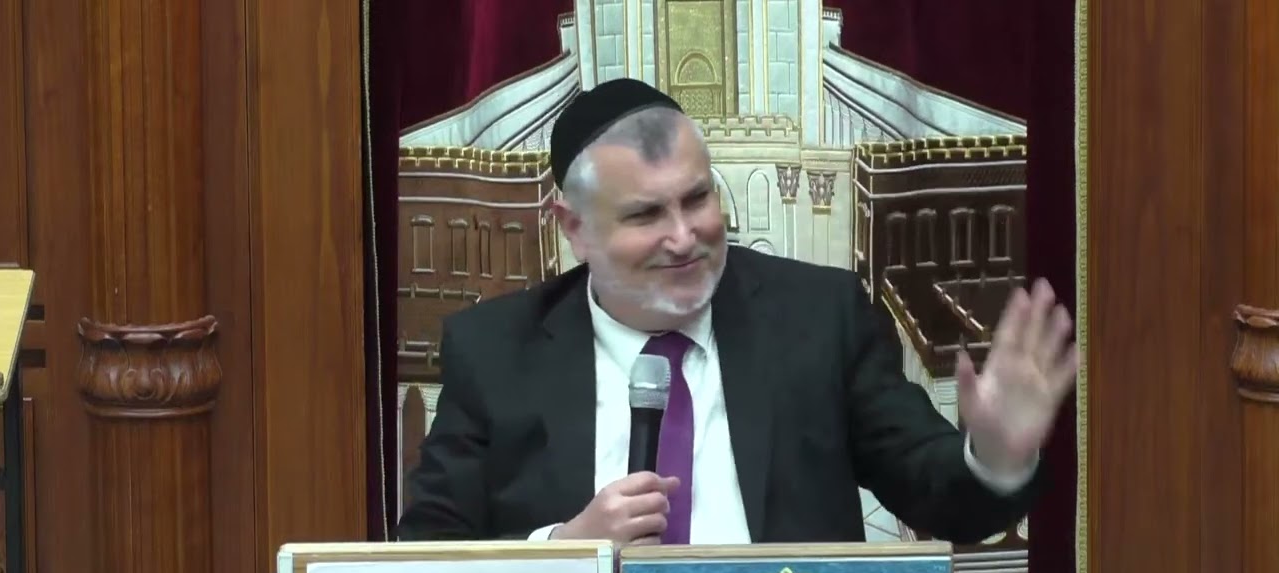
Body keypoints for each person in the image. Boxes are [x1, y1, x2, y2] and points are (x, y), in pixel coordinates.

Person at [396, 78, 1077, 546]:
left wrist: (995, 454)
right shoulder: (495, 351)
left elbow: (937, 494)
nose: (684, 236)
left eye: (697, 199)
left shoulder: (818, 318)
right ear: (574, 227)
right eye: (646, 214)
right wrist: (565, 550)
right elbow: (427, 555)